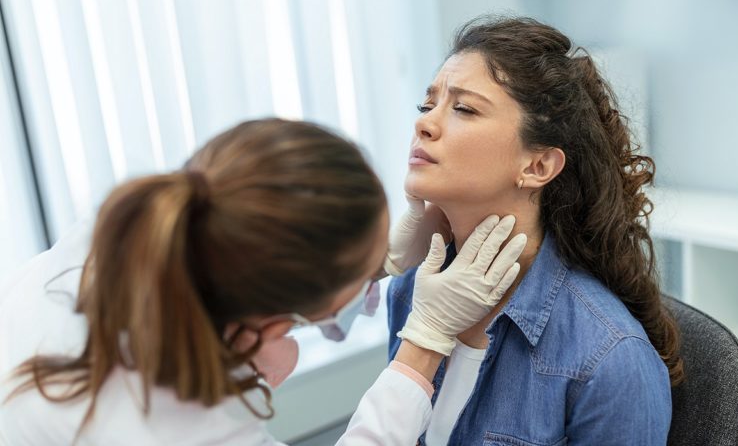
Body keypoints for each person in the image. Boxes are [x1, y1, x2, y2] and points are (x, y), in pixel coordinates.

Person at [0, 118, 527, 445]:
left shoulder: (126, 234)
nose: (428, 125)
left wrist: (368, 269)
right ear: (272, 320)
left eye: (465, 108)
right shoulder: (186, 430)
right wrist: (425, 343)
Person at [386, 16, 684, 445]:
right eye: (427, 105)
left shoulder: (609, 359)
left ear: (538, 165)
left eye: (464, 108)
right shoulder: (411, 289)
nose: (424, 124)